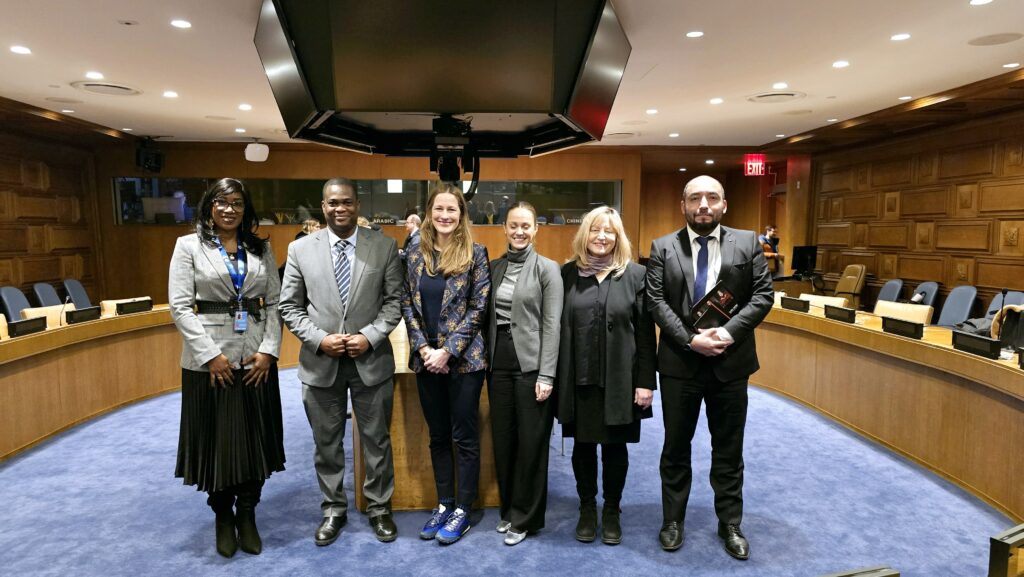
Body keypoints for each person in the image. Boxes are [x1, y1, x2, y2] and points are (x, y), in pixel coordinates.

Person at [645, 175, 773, 560]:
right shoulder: (663, 246)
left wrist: (727, 333)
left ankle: (730, 523)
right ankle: (672, 520)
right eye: (695, 198)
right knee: (675, 447)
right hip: (679, 364)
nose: (704, 205)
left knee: (729, 448)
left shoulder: (748, 242)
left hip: (730, 364)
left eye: (712, 198)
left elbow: (762, 295)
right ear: (682, 205)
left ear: (724, 204)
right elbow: (656, 301)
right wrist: (691, 340)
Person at [279, 178, 404, 546]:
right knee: (327, 443)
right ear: (323, 206)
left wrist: (371, 336)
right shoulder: (300, 250)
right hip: (321, 363)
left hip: (372, 360)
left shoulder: (384, 247)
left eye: (347, 202)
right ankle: (333, 508)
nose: (340, 208)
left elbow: (394, 302)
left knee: (376, 441)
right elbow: (289, 306)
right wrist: (320, 339)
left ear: (357, 206)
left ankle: (380, 507)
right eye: (333, 203)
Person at [168, 177, 284, 558]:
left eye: (236, 202)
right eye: (221, 202)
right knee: (217, 442)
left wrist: (268, 351)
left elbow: (274, 303)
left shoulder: (260, 247)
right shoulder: (189, 246)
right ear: (209, 206)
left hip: (254, 360)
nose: (229, 209)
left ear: (245, 208)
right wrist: (209, 355)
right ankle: (222, 515)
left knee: (255, 439)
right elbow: (180, 307)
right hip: (209, 363)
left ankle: (247, 513)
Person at [557, 206, 656, 546]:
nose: (602, 236)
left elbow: (645, 334)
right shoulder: (567, 274)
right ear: (585, 234)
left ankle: (612, 510)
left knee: (615, 448)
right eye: (596, 230)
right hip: (579, 377)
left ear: (618, 237)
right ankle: (587, 508)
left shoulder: (636, 275)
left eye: (609, 231)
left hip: (621, 379)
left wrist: (646, 382)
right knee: (583, 446)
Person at [401, 182, 491, 545]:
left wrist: (448, 350)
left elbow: (478, 308)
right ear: (429, 212)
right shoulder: (413, 252)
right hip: (426, 361)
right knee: (437, 435)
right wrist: (424, 349)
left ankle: (463, 510)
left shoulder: (476, 253)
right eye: (439, 209)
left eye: (452, 210)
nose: (445, 215)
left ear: (461, 214)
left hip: (465, 362)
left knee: (464, 436)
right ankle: (445, 502)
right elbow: (406, 303)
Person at [485, 202, 563, 546]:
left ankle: (526, 517)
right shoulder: (493, 267)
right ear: (504, 228)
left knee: (531, 444)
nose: (519, 232)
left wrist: (547, 375)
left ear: (536, 230)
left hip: (532, 367)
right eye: (513, 226)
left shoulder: (548, 269)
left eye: (526, 226)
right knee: (504, 441)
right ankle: (509, 508)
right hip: (497, 364)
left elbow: (552, 325)